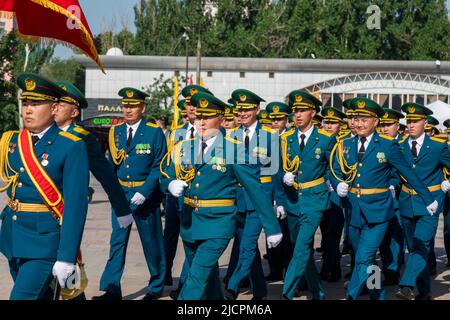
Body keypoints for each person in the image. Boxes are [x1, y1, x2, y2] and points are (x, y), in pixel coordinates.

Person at [160, 92, 282, 300]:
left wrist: (272, 227)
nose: (202, 122)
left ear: (221, 119)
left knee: (196, 278)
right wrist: (170, 183)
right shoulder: (183, 147)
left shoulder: (234, 150)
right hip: (190, 223)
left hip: (218, 223)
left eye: (207, 117)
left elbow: (256, 190)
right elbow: (165, 173)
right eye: (199, 117)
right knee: (209, 281)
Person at [329, 97, 437, 300]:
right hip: (353, 211)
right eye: (356, 118)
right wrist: (337, 185)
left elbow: (408, 173)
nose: (359, 123)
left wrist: (428, 198)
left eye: (364, 119)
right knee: (368, 261)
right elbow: (333, 170)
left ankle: (351, 295)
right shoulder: (344, 144)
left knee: (363, 257)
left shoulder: (387, 145)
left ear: (375, 122)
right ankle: (377, 294)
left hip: (378, 213)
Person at [0, 73, 89, 299]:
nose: (28, 109)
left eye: (36, 104)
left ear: (54, 108)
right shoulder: (11, 141)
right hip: (13, 238)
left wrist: (67, 256)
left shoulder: (70, 146)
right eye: (26, 103)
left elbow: (75, 207)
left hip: (44, 243)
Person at [93, 87, 167, 300]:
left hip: (145, 195)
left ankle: (156, 285)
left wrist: (144, 191)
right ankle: (111, 287)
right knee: (117, 240)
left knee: (151, 241)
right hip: (123, 194)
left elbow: (159, 165)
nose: (128, 109)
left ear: (142, 108)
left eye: (133, 106)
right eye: (125, 105)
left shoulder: (153, 132)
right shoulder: (115, 132)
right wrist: (114, 191)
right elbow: (111, 164)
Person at [224, 89, 283, 300]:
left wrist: (279, 201)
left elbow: (275, 171)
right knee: (249, 249)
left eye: (247, 109)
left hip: (260, 198)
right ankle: (260, 291)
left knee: (248, 244)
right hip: (238, 199)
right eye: (239, 110)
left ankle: (232, 286)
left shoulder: (269, 135)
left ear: (257, 110)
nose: (242, 113)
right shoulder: (230, 136)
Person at [278, 90, 336, 300]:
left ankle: (287, 292)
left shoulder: (326, 138)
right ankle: (317, 291)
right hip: (293, 200)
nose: (298, 115)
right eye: (295, 111)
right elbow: (277, 171)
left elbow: (333, 168)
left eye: (303, 111)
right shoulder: (285, 139)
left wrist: (335, 187)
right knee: (302, 249)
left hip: (315, 198)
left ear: (313, 112)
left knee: (302, 246)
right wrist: (280, 198)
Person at [395, 103, 450, 300]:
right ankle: (425, 291)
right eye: (408, 121)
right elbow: (394, 173)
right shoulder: (399, 147)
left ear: (425, 123)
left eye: (415, 121)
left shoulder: (437, 145)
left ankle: (407, 285)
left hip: (430, 204)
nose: (410, 124)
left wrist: (447, 181)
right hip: (406, 202)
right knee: (415, 248)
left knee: (422, 244)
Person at [164, 85, 213, 299]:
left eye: (196, 104)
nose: (191, 108)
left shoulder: (216, 133)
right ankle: (169, 276)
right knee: (175, 236)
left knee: (195, 242)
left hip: (202, 198)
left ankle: (185, 284)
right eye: (189, 104)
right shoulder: (177, 133)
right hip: (178, 196)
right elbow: (167, 164)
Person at [377, 107, 406, 286]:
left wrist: (393, 184)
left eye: (389, 125)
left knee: (395, 238)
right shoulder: (377, 143)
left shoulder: (403, 145)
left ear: (397, 126)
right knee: (380, 240)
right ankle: (377, 278)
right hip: (376, 199)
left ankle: (392, 271)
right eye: (383, 125)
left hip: (398, 198)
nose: (385, 128)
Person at [319, 107, 347, 282]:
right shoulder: (318, 141)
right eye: (326, 122)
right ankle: (330, 266)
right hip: (321, 194)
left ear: (339, 125)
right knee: (324, 233)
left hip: (338, 196)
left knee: (333, 234)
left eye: (333, 123)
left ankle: (331, 268)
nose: (328, 126)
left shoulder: (344, 143)